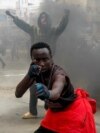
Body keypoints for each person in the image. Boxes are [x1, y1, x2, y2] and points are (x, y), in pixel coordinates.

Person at [15, 42, 96, 133]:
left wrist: (47, 93)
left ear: (51, 58)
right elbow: (18, 93)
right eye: (37, 60)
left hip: (73, 110)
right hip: (55, 111)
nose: (41, 63)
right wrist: (29, 75)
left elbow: (56, 93)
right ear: (32, 59)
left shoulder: (59, 74)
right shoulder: (34, 70)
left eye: (45, 59)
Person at [6, 9, 70, 118]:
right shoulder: (34, 30)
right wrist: (13, 16)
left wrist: (66, 15)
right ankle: (33, 112)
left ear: (48, 21)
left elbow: (61, 26)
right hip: (35, 63)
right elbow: (23, 25)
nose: (43, 20)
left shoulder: (53, 31)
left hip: (49, 64)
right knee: (33, 86)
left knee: (50, 85)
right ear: (39, 21)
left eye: (45, 18)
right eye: (41, 18)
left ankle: (49, 109)